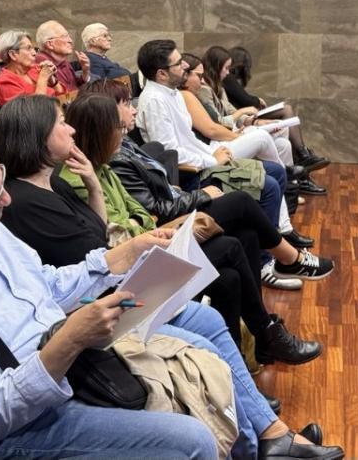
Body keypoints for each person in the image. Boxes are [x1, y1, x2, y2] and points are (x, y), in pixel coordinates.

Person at [0, 133, 344, 459]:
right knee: (190, 440)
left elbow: (49, 284)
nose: (5, 199)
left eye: (1, 183)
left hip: (70, 354)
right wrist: (72, 339)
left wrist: (124, 253)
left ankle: (267, 443)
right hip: (34, 415)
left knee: (202, 335)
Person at [59, 93, 328, 362]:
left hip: (152, 238)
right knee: (239, 210)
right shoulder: (85, 177)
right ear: (100, 132)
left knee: (235, 261)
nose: (124, 130)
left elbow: (139, 213)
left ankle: (245, 356)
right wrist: (146, 218)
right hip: (137, 267)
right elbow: (113, 235)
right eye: (117, 127)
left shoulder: (103, 167)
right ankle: (280, 286)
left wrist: (140, 221)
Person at [81, 79, 334, 291]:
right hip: (173, 209)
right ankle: (287, 258)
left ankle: (267, 320)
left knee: (245, 234)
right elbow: (144, 213)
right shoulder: (111, 159)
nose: (133, 109)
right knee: (246, 198)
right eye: (126, 104)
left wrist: (162, 201)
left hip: (178, 193)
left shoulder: (122, 146)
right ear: (107, 114)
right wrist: (200, 191)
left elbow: (140, 206)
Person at [136, 40, 315, 250]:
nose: (185, 66)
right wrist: (212, 159)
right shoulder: (155, 101)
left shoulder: (171, 93)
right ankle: (268, 258)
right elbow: (171, 154)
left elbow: (190, 140)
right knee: (269, 185)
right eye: (178, 64)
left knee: (276, 171)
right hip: (192, 176)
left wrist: (213, 153)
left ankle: (279, 236)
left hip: (204, 160)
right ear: (162, 74)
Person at [225, 46, 329, 172]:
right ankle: (303, 155)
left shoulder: (229, 79)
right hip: (243, 120)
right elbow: (246, 100)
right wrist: (258, 100)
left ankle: (302, 158)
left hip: (245, 118)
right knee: (287, 110)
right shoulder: (227, 78)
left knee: (285, 126)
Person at [0, 29, 60, 107]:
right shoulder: (4, 83)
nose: (34, 53)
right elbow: (31, 112)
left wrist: (52, 81)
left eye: (34, 49)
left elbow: (64, 95)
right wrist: (43, 78)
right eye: (28, 48)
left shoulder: (35, 69)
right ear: (13, 54)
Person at [34, 20, 90, 92]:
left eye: (69, 36)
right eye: (64, 36)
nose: (70, 41)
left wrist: (85, 71)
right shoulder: (43, 64)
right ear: (50, 44)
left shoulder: (63, 61)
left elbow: (75, 86)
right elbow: (61, 96)